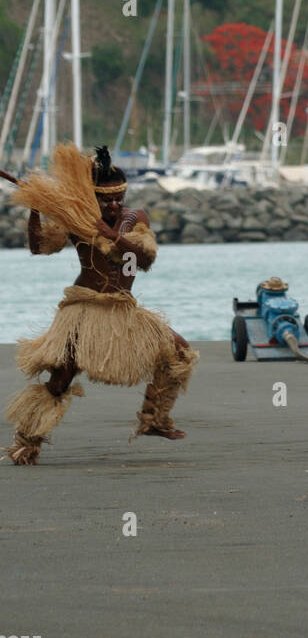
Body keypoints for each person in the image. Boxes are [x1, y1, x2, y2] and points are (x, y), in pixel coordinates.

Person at [4, 144, 197, 465]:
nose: (114, 204)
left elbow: (143, 260)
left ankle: (154, 419)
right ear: (92, 197)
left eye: (119, 198)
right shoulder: (76, 218)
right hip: (84, 310)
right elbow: (39, 248)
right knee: (61, 378)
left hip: (122, 308)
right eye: (106, 200)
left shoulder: (135, 217)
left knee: (179, 351)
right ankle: (26, 442)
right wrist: (35, 208)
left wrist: (113, 235)